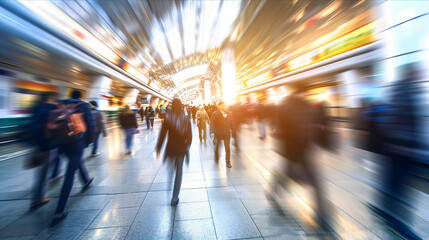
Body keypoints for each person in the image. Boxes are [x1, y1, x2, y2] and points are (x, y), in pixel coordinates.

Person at [367, 63, 424, 239]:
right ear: (410, 72)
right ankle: (396, 221)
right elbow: (390, 119)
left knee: (395, 184)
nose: (421, 73)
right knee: (397, 185)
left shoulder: (409, 89)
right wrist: (398, 143)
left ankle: (385, 212)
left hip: (406, 149)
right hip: (400, 149)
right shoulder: (402, 90)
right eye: (418, 71)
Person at [268, 85, 330, 232]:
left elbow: (309, 126)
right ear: (301, 92)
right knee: (289, 176)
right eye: (305, 93)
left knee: (310, 181)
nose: (307, 95)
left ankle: (321, 218)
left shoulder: (296, 105)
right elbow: (286, 129)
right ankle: (272, 191)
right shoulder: (289, 106)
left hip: (298, 151)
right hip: (294, 151)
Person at [51, 90, 94, 226]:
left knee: (76, 161)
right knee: (70, 174)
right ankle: (59, 211)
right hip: (76, 142)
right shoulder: (84, 105)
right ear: (79, 96)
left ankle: (86, 180)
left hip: (61, 143)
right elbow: (90, 125)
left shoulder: (60, 104)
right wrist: (87, 142)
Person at [156, 98, 192, 206]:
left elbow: (162, 134)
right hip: (181, 149)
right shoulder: (186, 118)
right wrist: (186, 146)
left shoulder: (167, 117)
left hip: (171, 148)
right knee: (179, 171)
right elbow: (189, 136)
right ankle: (175, 197)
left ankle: (170, 187)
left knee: (171, 170)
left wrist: (158, 148)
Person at [28, 92, 58, 211]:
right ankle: (38, 199)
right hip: (47, 146)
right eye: (53, 100)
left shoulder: (36, 109)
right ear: (49, 99)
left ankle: (37, 197)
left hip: (37, 145)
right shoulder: (48, 111)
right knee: (43, 174)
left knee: (40, 174)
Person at [210, 101, 233, 168]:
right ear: (219, 106)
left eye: (225, 105)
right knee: (217, 146)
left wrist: (234, 131)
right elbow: (212, 123)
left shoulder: (230, 113)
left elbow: (232, 123)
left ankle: (228, 161)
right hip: (218, 133)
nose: (224, 107)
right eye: (223, 106)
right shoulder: (215, 114)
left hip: (227, 133)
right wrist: (212, 133)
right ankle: (216, 157)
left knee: (227, 147)